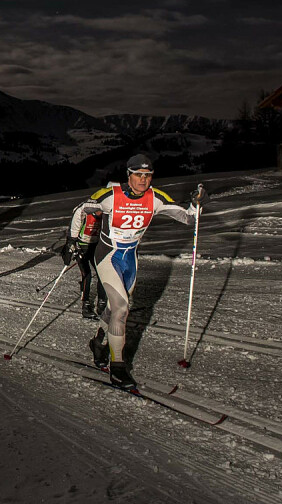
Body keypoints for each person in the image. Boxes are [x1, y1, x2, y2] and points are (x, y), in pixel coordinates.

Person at [71, 154, 205, 390]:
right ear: (129, 175)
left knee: (114, 308)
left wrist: (196, 204)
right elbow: (80, 209)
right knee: (122, 309)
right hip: (108, 256)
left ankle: (99, 343)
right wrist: (72, 241)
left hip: (130, 259)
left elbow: (187, 218)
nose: (143, 180)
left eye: (148, 175)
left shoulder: (155, 198)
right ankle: (118, 367)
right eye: (138, 175)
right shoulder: (111, 196)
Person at [67, 191, 111, 319]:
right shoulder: (84, 213)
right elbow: (72, 230)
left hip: (94, 247)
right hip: (81, 247)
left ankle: (102, 304)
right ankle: (85, 305)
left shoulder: (105, 217)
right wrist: (72, 247)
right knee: (87, 275)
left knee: (102, 273)